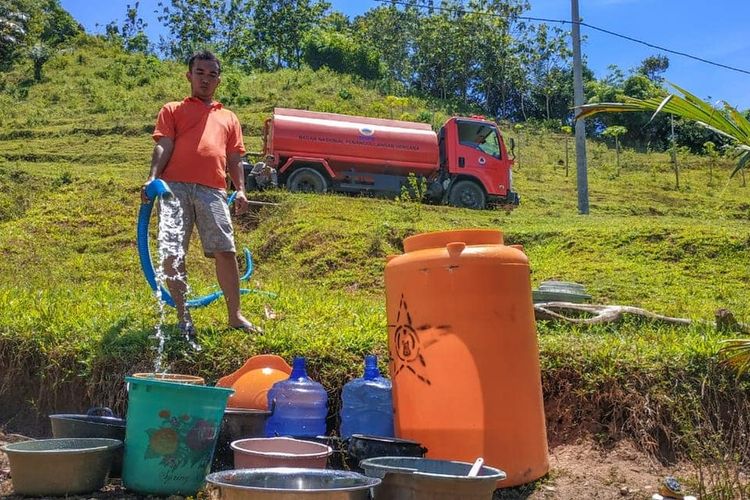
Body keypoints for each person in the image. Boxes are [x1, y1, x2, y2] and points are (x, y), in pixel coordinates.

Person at [141, 49, 258, 337]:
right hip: (173, 189)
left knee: (225, 251)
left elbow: (234, 158)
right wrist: (152, 178)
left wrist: (241, 190)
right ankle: (184, 318)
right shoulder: (172, 110)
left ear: (218, 80)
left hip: (214, 189)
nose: (205, 80)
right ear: (189, 76)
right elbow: (163, 145)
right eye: (200, 73)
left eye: (212, 75)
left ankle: (235, 315)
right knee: (173, 253)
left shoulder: (229, 117)